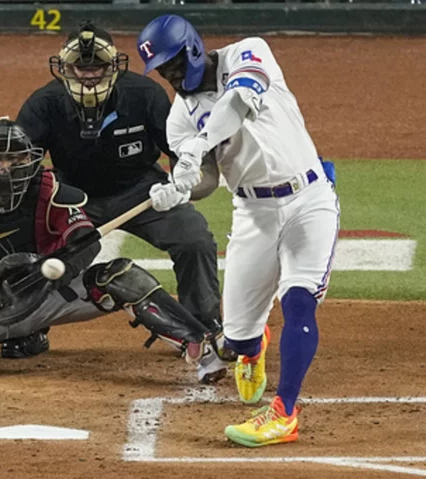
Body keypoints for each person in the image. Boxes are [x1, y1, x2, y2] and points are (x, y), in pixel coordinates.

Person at [0, 117, 226, 381]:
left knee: (120, 276)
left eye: (13, 158)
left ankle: (201, 346)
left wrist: (48, 271)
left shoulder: (52, 192)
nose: (4, 167)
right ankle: (18, 335)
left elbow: (84, 239)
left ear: (30, 158)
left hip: (54, 295)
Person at [137, 15, 340, 447]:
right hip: (254, 214)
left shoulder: (249, 51)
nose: (171, 77)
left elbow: (241, 99)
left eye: (173, 65)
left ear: (192, 49)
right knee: (238, 338)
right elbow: (207, 180)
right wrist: (181, 189)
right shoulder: (179, 119)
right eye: (162, 72)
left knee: (299, 300)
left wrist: (200, 140)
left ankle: (284, 414)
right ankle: (253, 347)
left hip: (309, 199)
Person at [14, 20, 227, 383]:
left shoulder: (145, 95)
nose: (89, 75)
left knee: (194, 239)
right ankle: (26, 327)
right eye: (81, 67)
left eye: (96, 66)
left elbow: (189, 160)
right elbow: (23, 173)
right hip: (75, 198)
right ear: (64, 69)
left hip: (143, 191)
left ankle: (204, 327)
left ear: (113, 66)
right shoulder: (42, 105)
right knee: (34, 249)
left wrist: (180, 186)